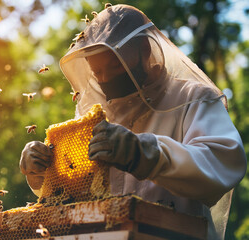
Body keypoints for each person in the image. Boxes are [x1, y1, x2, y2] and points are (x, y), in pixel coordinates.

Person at [19, 4, 247, 240]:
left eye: (116, 64)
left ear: (145, 51)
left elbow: (222, 162)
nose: (106, 79)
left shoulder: (192, 98)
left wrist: (146, 153)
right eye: (97, 72)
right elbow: (73, 189)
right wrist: (41, 171)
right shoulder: (95, 115)